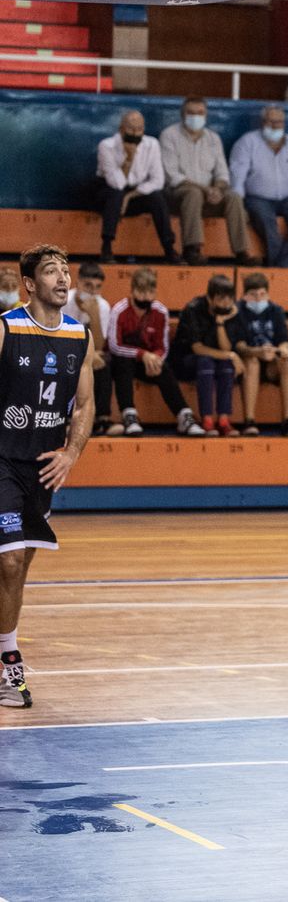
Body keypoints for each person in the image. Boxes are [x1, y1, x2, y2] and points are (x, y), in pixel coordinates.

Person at [0, 245, 94, 709]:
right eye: (51, 271)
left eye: (66, 270)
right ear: (30, 285)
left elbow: (85, 404)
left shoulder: (80, 335)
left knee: (18, 569)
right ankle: (8, 667)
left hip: (42, 466)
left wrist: (71, 453)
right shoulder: (6, 328)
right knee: (10, 561)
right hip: (1, 459)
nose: (62, 278)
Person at [106, 268, 204, 437]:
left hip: (149, 363)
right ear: (132, 290)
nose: (145, 297)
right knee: (123, 364)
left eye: (150, 292)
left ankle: (184, 415)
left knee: (164, 367)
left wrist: (155, 359)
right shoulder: (119, 310)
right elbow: (114, 346)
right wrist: (143, 354)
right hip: (124, 360)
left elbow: (163, 347)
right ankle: (129, 415)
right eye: (141, 292)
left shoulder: (161, 311)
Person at [158, 96, 255, 266]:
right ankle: (192, 249)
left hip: (209, 196)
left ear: (206, 116)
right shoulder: (169, 135)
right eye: (191, 113)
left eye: (200, 113)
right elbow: (172, 176)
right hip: (176, 196)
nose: (195, 117)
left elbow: (222, 174)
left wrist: (217, 189)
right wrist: (206, 190)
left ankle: (242, 252)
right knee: (193, 193)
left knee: (233, 196)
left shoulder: (213, 138)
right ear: (182, 115)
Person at [229, 105, 288, 268]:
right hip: (257, 198)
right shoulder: (247, 142)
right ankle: (280, 268)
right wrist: (238, 202)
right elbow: (238, 173)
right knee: (266, 221)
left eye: (279, 122)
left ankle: (284, 265)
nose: (275, 126)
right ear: (262, 122)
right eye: (271, 121)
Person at [96, 109, 180, 264]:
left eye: (139, 129)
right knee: (115, 195)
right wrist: (129, 158)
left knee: (157, 198)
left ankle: (169, 249)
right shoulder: (106, 146)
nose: (135, 133)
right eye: (131, 129)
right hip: (108, 194)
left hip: (135, 194)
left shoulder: (152, 144)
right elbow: (117, 183)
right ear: (121, 129)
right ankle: (106, 247)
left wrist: (130, 196)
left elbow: (158, 181)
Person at [235, 273, 288, 437]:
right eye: (253, 295)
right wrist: (257, 352)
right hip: (247, 361)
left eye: (262, 294)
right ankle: (249, 421)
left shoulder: (276, 310)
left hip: (270, 360)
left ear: (267, 294)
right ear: (245, 295)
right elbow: (238, 346)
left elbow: (284, 340)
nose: (258, 299)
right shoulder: (237, 310)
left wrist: (282, 350)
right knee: (252, 361)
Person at [174, 273, 246, 438]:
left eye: (230, 299)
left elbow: (226, 347)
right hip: (186, 360)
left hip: (217, 359)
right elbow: (198, 348)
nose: (226, 303)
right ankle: (206, 419)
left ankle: (223, 420)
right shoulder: (192, 309)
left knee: (226, 365)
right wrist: (231, 355)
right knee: (206, 361)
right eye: (221, 299)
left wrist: (221, 322)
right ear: (209, 298)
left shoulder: (231, 312)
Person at [67, 263, 114, 437]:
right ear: (77, 283)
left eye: (97, 287)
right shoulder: (64, 300)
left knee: (103, 361)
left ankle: (102, 418)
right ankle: (66, 418)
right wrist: (88, 353)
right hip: (62, 350)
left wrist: (93, 315)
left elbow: (100, 345)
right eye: (88, 286)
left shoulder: (103, 306)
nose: (93, 291)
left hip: (88, 352)